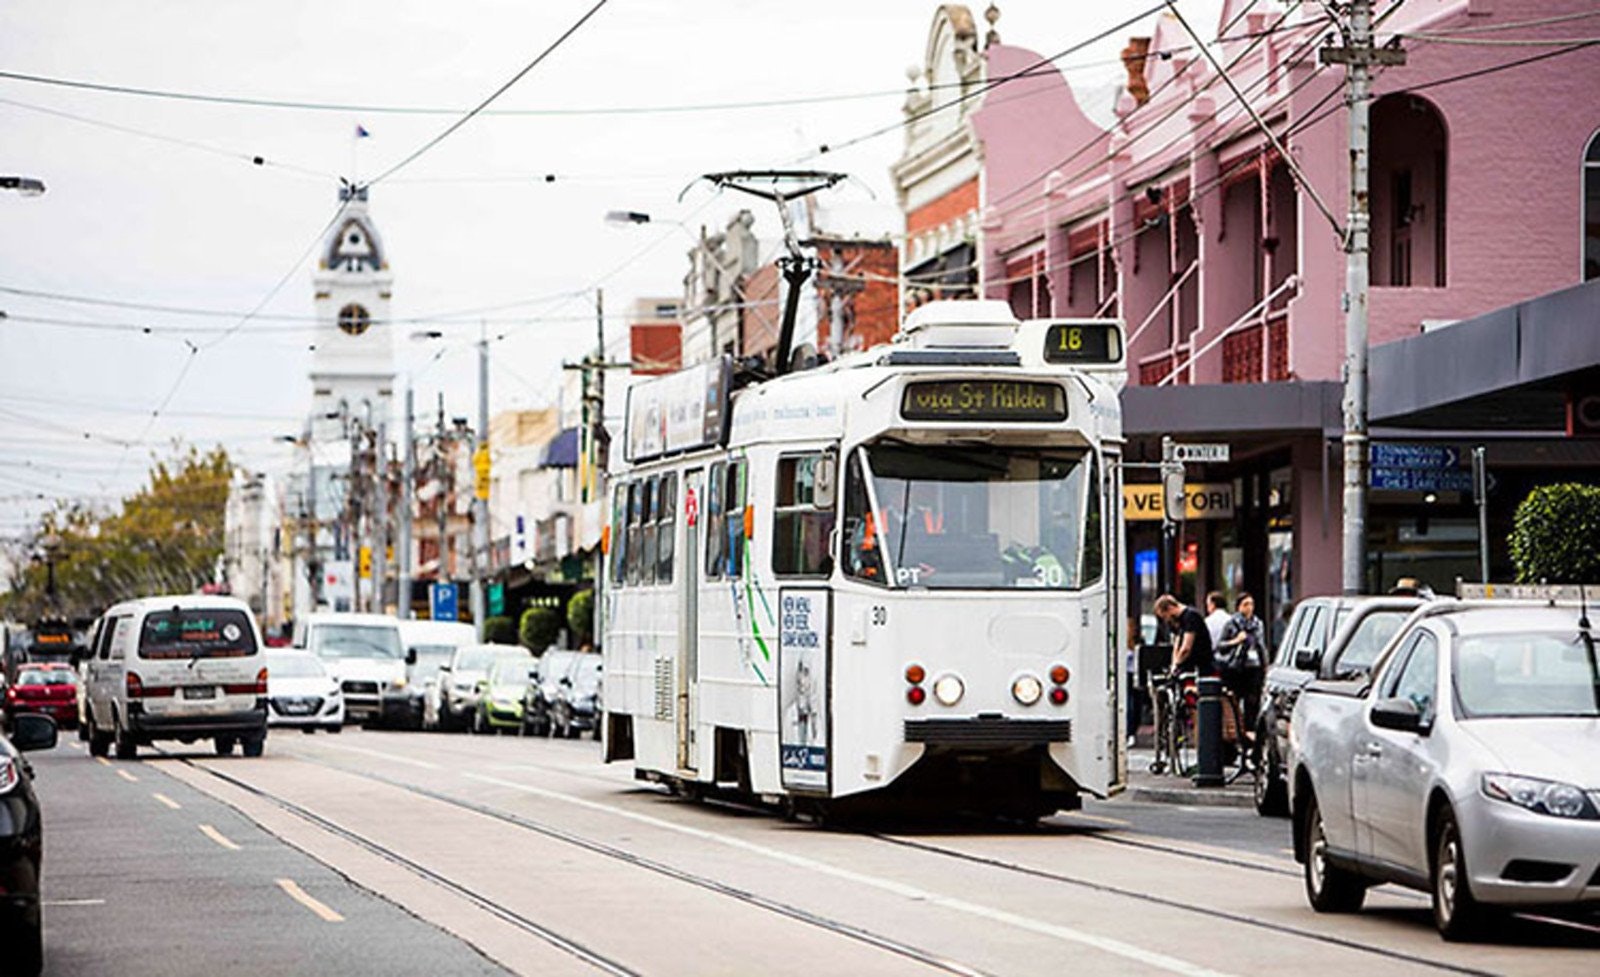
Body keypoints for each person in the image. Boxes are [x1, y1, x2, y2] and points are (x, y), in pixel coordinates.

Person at [1218, 593, 1267, 727]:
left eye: (1251, 604)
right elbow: (1220, 646)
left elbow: (1262, 646)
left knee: (1252, 701)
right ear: (1239, 607)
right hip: (1236, 667)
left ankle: (1250, 731)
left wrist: (1265, 665)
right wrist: (1235, 641)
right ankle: (1235, 730)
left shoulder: (1258, 624)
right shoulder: (1231, 624)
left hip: (1254, 666)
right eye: (1246, 604)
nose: (1249, 608)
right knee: (1234, 701)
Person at [1153, 593, 1217, 677]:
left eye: (1165, 616)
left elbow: (1186, 647)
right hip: (1188, 667)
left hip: (1200, 666)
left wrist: (1176, 664)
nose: (1167, 620)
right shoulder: (1178, 621)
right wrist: (1174, 663)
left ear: (1170, 608)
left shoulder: (1190, 617)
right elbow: (1177, 643)